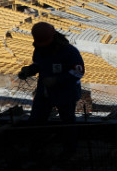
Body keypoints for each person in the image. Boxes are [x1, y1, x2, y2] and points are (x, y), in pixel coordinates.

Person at [17, 22, 85, 154]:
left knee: (68, 123)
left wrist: (57, 80)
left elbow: (78, 72)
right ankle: (36, 149)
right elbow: (38, 65)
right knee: (36, 121)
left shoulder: (69, 51)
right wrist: (29, 70)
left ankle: (69, 151)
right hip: (44, 93)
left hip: (66, 94)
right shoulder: (39, 50)